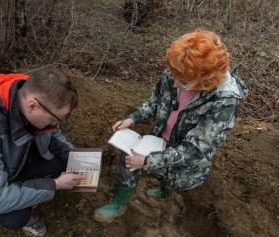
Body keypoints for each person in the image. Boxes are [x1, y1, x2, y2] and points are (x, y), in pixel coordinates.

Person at [94, 29, 248, 223]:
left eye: (182, 82)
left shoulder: (223, 101)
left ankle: (165, 190)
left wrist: (149, 161)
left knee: (169, 179)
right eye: (173, 76)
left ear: (205, 79)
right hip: (158, 140)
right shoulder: (178, 71)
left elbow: (196, 149)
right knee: (129, 158)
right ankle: (119, 204)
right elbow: (155, 102)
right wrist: (132, 119)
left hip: (184, 157)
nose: (174, 84)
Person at [0, 68, 86, 237]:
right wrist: (54, 185)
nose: (55, 123)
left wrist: (74, 156)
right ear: (33, 105)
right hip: (1, 176)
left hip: (23, 157)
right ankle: (27, 199)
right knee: (14, 218)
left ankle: (29, 187)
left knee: (69, 161)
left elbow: (53, 133)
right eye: (54, 118)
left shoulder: (35, 95)